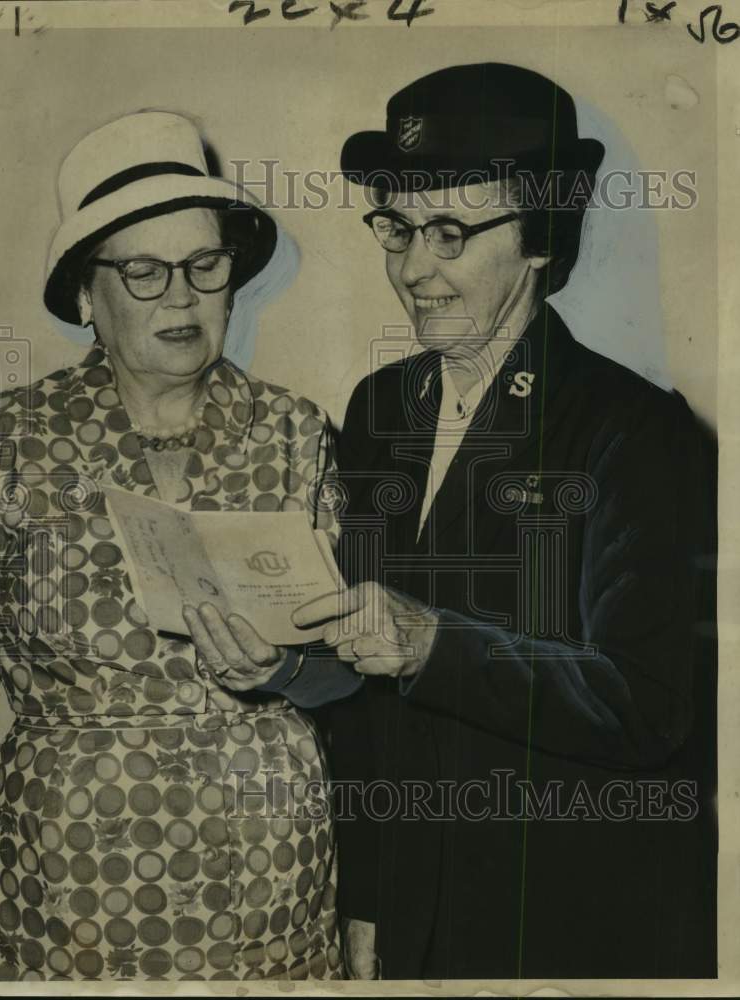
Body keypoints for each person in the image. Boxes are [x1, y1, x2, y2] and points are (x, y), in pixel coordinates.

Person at [293, 64, 717, 979]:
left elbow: (648, 704)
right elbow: (362, 698)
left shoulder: (634, 430)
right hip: (413, 911)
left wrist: (433, 645)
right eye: (397, 227)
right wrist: (365, 896)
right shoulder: (378, 408)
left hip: (566, 915)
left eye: (451, 231)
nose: (413, 269)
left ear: (540, 237)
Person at [0, 111, 353, 982]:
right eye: (142, 270)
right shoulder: (6, 440)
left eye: (205, 265)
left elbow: (344, 672)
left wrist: (284, 672)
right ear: (84, 296)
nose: (181, 296)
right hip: (65, 885)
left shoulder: (293, 433)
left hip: (268, 879)